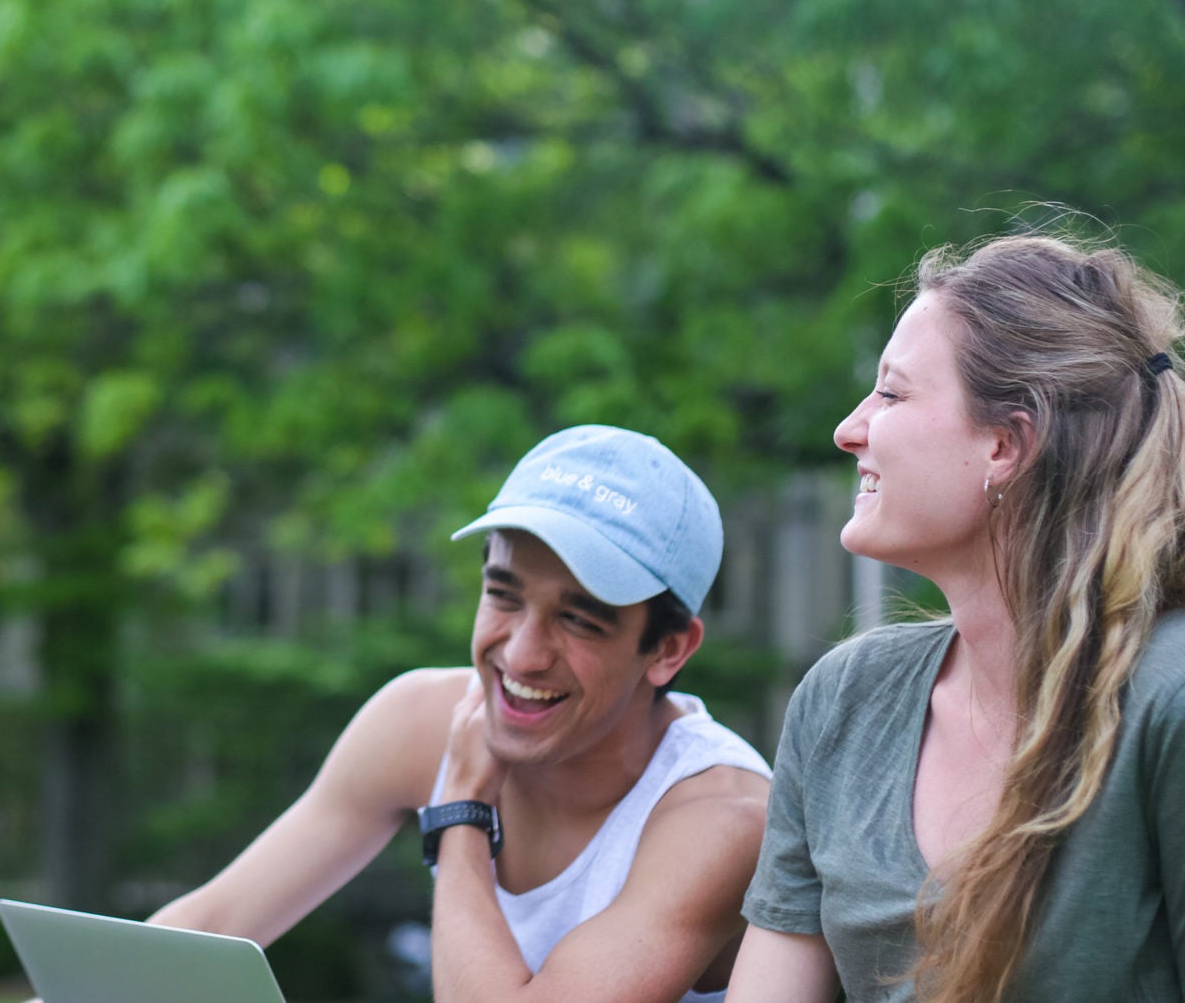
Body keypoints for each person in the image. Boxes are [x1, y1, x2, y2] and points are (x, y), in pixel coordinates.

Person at [148, 425, 771, 1002]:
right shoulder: (419, 718)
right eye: (503, 596)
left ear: (667, 650)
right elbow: (210, 927)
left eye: (578, 619)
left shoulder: (723, 816)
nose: (523, 656)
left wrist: (462, 816)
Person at [727, 234, 1185, 1002]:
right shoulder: (844, 699)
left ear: (1005, 444)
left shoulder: (1166, 698)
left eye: (892, 393)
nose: (849, 428)